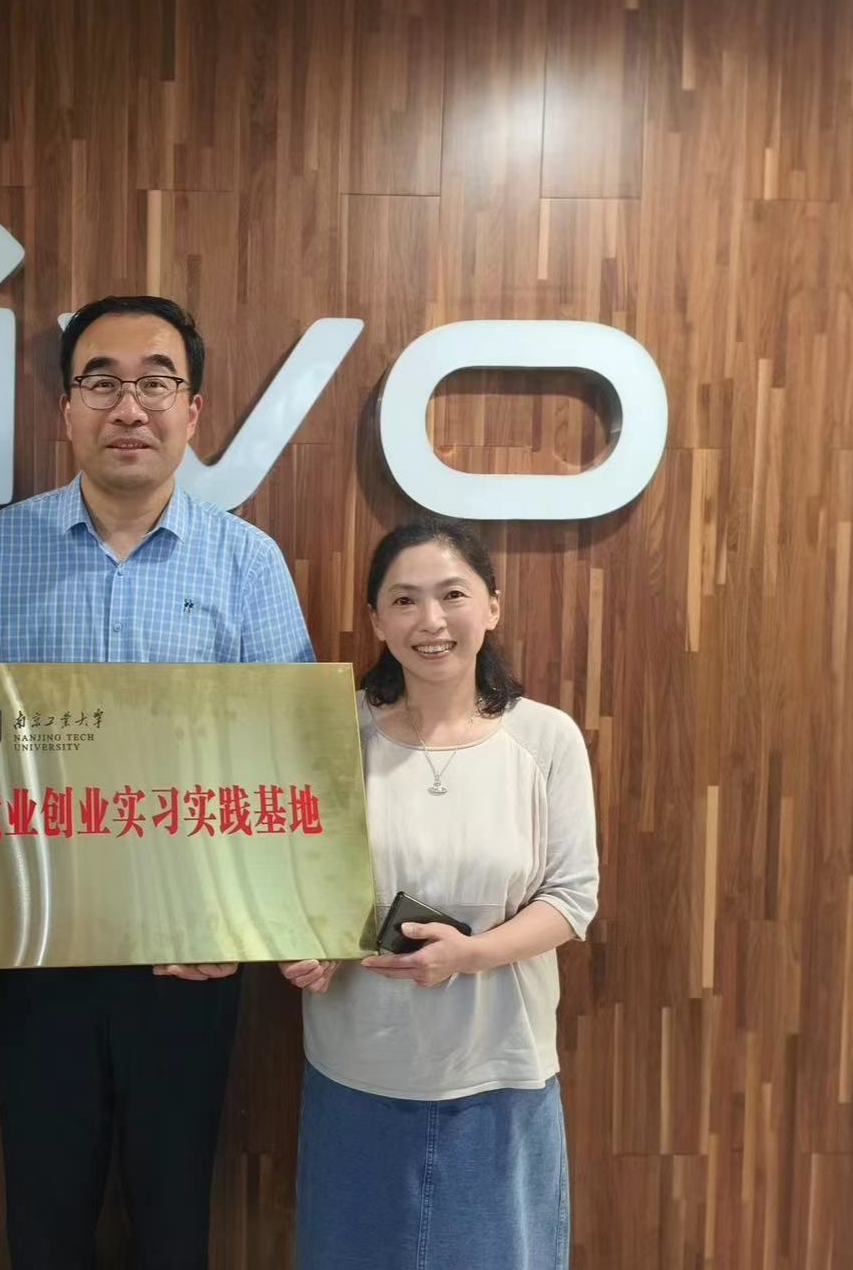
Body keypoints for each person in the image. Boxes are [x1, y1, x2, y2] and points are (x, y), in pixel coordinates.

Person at [0, 295, 315, 1269]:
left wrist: (239, 922)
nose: (129, 406)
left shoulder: (248, 562)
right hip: (34, 946)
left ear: (192, 411)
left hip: (189, 953)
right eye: (102, 382)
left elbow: (293, 757)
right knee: (44, 1217)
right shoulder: (1, 548)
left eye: (156, 382)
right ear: (66, 409)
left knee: (173, 1220)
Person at [280, 518, 599, 1269]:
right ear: (376, 621)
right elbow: (293, 876)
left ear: (491, 606)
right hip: (357, 1066)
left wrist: (470, 955)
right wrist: (306, 945)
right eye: (404, 600)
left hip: (498, 1070)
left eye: (453, 594)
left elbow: (571, 898)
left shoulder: (546, 739)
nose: (431, 620)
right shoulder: (334, 733)